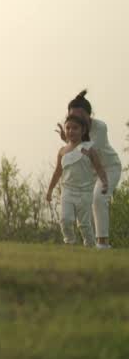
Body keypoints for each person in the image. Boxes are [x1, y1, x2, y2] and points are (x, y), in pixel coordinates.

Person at [56, 89, 121, 248]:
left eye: (79, 116)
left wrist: (68, 141)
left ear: (88, 115)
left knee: (98, 198)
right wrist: (69, 141)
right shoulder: (75, 130)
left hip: (109, 168)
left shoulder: (100, 127)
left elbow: (85, 150)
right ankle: (88, 243)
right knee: (84, 206)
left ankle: (103, 244)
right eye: (72, 116)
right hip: (90, 173)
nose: (75, 119)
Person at [47, 113, 109, 247]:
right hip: (68, 191)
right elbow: (57, 172)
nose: (71, 131)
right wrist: (50, 190)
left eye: (75, 128)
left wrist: (104, 183)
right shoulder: (62, 151)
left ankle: (90, 245)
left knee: (85, 224)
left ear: (83, 130)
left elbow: (99, 168)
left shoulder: (88, 149)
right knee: (65, 219)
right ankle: (69, 243)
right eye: (68, 128)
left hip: (85, 192)